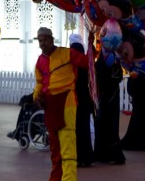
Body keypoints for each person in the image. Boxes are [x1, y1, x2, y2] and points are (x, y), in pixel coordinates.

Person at [33, 27, 88, 181]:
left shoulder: (67, 53)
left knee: (67, 146)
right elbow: (39, 82)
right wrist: (37, 97)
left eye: (45, 40)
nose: (42, 44)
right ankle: (56, 177)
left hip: (66, 102)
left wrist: (93, 45)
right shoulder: (40, 61)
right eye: (40, 40)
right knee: (55, 147)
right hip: (50, 106)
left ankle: (69, 178)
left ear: (51, 39)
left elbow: (87, 62)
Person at [93, 50, 125, 165]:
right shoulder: (101, 62)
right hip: (103, 97)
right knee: (102, 124)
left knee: (111, 124)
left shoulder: (114, 61)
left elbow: (117, 77)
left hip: (111, 97)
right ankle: (102, 153)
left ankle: (113, 155)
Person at [69, 34, 93, 167]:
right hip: (85, 99)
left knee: (76, 129)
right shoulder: (86, 62)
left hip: (75, 100)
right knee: (85, 129)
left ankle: (78, 156)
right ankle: (86, 157)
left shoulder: (73, 63)